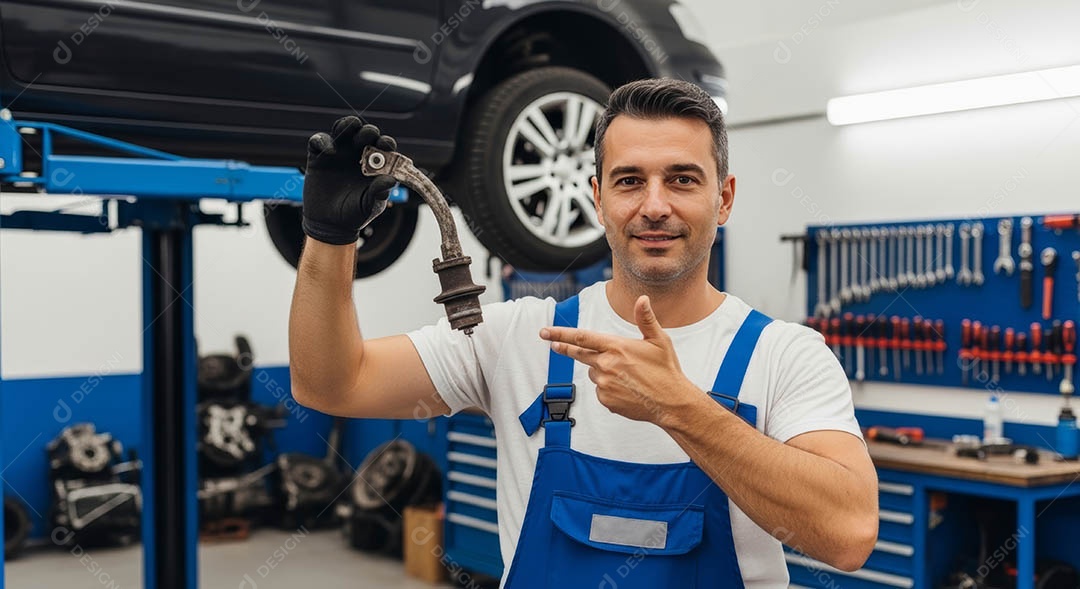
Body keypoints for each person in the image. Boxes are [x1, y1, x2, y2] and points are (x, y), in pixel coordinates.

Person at [289, 78, 878, 588]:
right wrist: (328, 240)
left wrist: (680, 408)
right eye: (628, 181)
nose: (653, 206)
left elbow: (848, 536)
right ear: (596, 198)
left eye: (681, 179)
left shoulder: (786, 356)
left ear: (722, 199)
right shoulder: (521, 337)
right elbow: (331, 384)